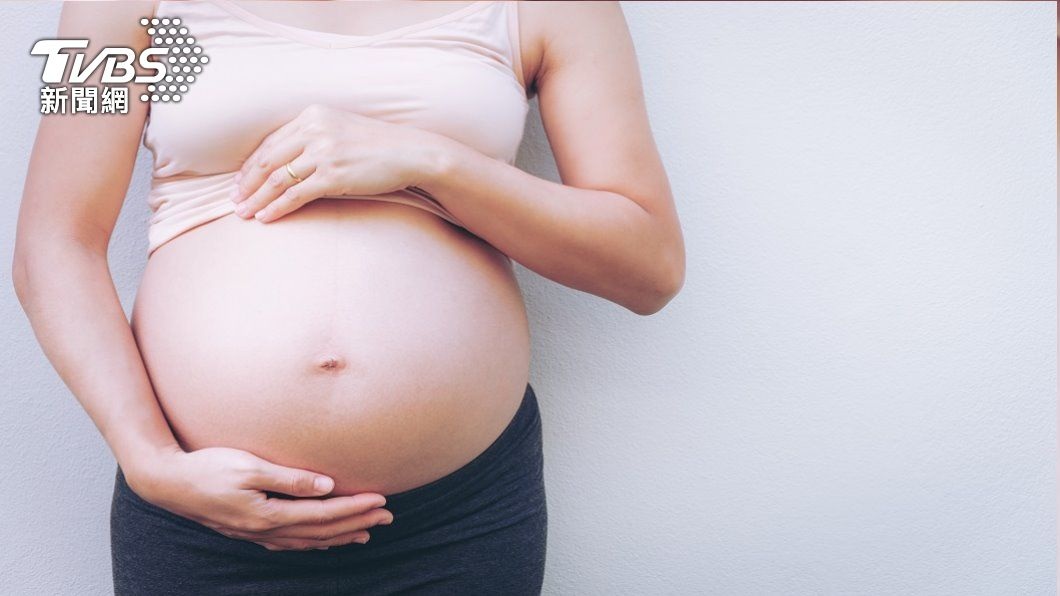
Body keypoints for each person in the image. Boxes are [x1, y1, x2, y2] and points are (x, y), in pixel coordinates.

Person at [12, 0, 685, 593]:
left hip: (457, 520)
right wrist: (149, 461)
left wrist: (429, 160)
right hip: (203, 512)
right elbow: (55, 238)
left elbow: (648, 264)